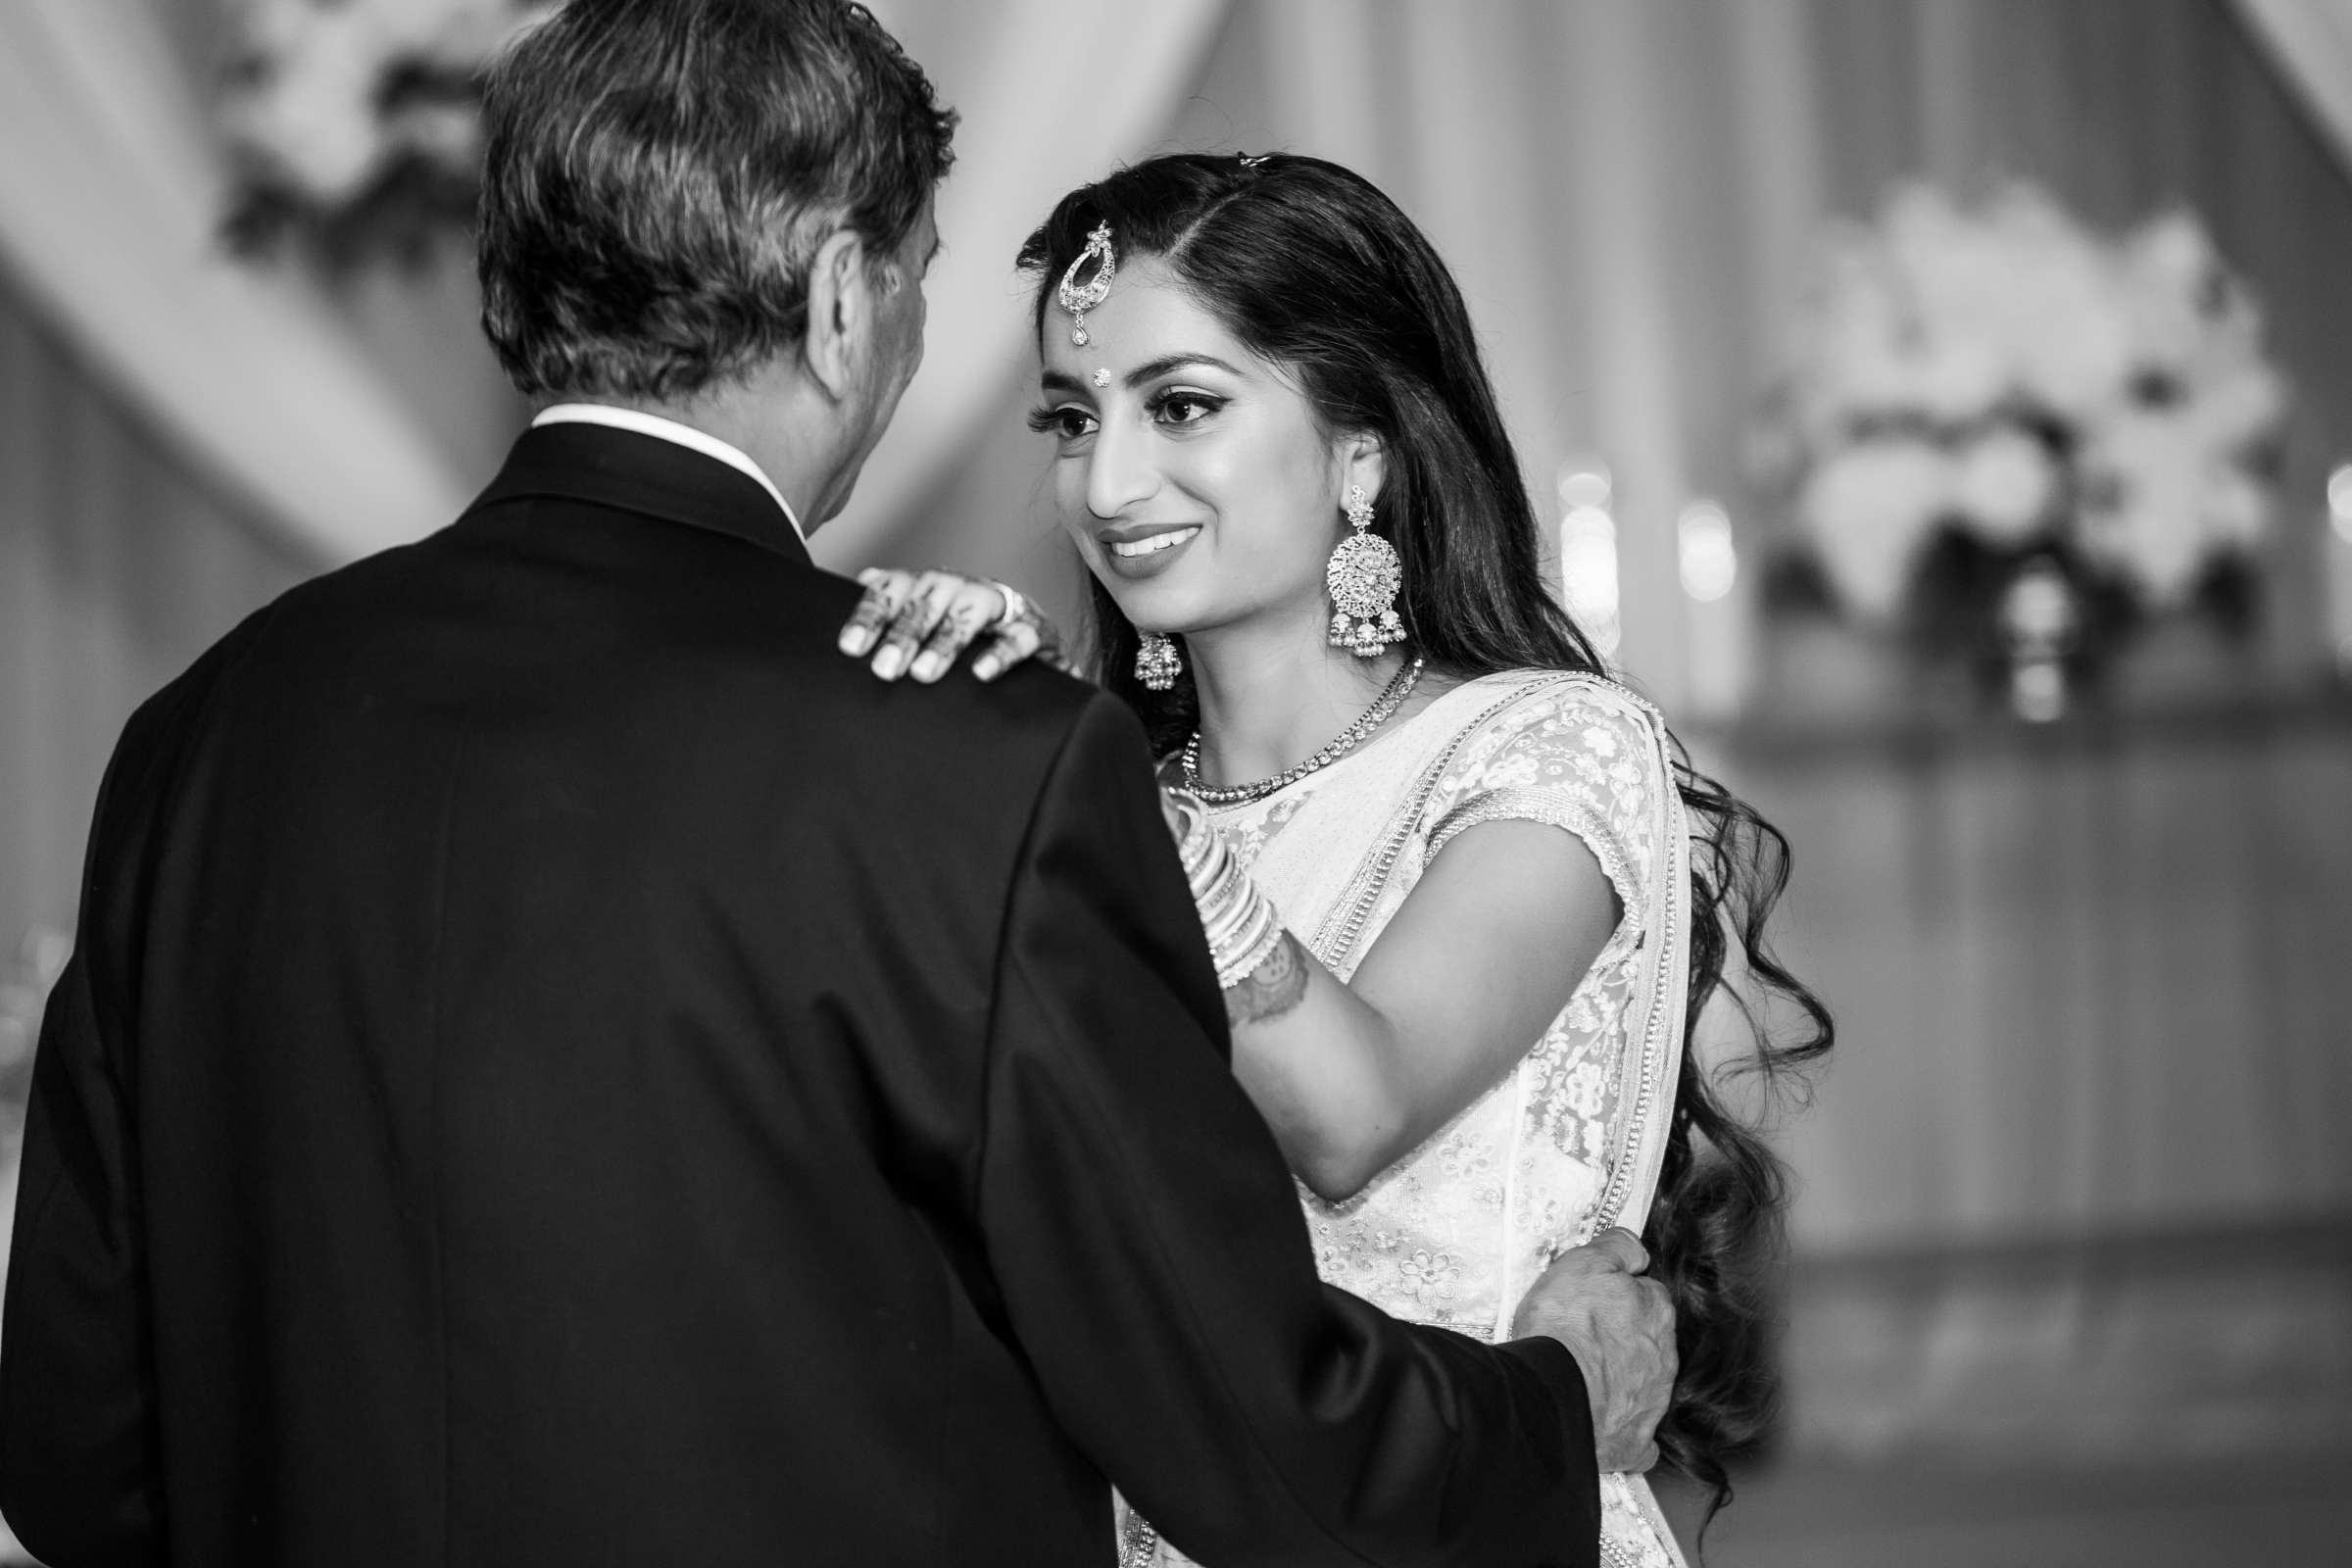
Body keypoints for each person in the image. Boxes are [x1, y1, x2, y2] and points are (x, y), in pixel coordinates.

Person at [0, 6, 1678, 1567]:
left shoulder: (201, 736)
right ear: (841, 299)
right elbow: (1248, 1425)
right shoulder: (965, 758)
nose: (1103, 473)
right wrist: (1551, 1405)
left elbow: (79, 1453)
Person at [840, 152, 1834, 1566]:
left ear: (1360, 450)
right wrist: (954, 751)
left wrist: (1069, 774)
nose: (1108, 482)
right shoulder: (1090, 800)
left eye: (1181, 405)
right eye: (1072, 418)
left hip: (1482, 1525)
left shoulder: (1550, 750)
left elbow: (1353, 1106)